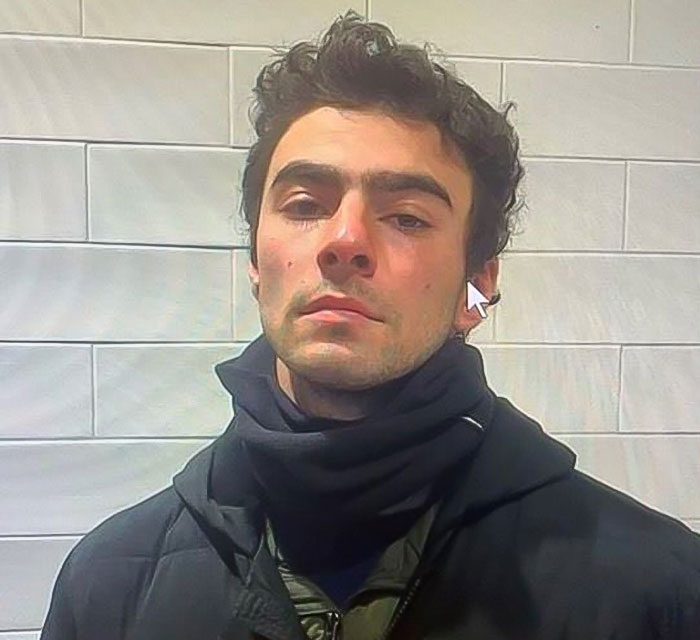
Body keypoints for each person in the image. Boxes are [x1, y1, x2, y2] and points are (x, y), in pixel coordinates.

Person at [40, 10, 700, 640]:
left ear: (476, 287)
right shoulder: (109, 587)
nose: (345, 240)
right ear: (256, 264)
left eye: (406, 217)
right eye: (306, 204)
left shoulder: (656, 592)